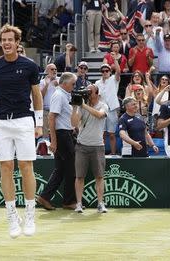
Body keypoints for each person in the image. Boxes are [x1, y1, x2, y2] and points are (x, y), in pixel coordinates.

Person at [0, 24, 43, 238]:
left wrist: (39, 123)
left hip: (24, 121)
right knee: (5, 167)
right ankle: (11, 216)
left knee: (26, 166)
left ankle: (29, 216)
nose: (6, 43)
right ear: (1, 42)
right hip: (0, 123)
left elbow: (37, 95)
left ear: (17, 43)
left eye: (10, 40)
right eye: (3, 40)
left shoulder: (29, 66)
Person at [37, 72, 77, 211]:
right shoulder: (59, 96)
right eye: (72, 83)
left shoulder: (63, 95)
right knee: (71, 167)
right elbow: (51, 118)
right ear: (64, 83)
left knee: (61, 169)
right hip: (61, 135)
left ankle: (45, 196)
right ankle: (69, 201)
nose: (74, 86)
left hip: (64, 133)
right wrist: (53, 141)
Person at [71, 84, 108, 213]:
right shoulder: (81, 106)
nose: (86, 93)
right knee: (79, 176)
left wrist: (83, 105)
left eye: (89, 91)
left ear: (96, 93)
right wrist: (75, 107)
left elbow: (99, 115)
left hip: (98, 145)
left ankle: (100, 203)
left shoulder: (103, 105)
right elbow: (74, 124)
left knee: (99, 176)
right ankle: (79, 204)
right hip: (82, 145)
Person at [96, 63, 121, 155]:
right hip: (101, 110)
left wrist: (115, 60)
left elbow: (118, 71)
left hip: (112, 109)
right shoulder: (97, 83)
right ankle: (100, 153)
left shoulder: (114, 79)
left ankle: (113, 153)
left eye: (107, 71)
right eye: (103, 71)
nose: (105, 72)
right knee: (101, 134)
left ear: (110, 72)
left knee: (111, 134)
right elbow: (97, 97)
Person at [40, 63, 59, 138]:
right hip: (46, 111)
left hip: (57, 111)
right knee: (45, 135)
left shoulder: (60, 80)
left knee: (57, 133)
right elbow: (41, 96)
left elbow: (66, 94)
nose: (54, 71)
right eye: (52, 69)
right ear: (47, 71)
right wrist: (47, 84)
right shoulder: (42, 82)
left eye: (55, 69)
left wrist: (57, 86)